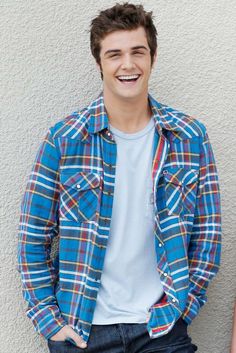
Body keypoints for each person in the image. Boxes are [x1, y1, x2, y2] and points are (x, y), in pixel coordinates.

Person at [17, 3, 222, 353]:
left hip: (161, 330)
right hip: (83, 332)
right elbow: (32, 237)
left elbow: (208, 235)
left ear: (152, 58)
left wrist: (183, 310)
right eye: (114, 54)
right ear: (100, 64)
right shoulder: (65, 140)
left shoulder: (190, 137)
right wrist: (50, 322)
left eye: (137, 52)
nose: (127, 64)